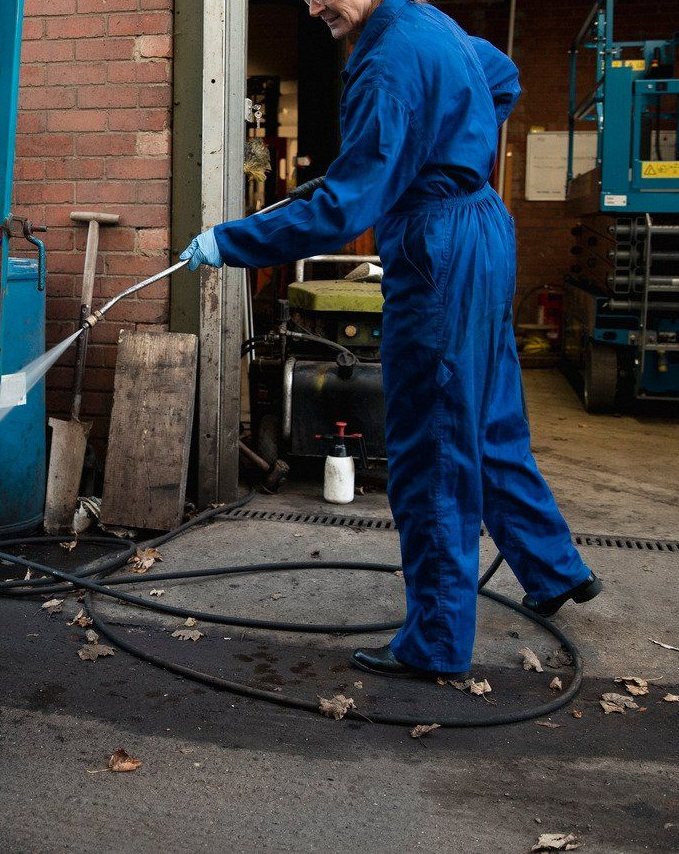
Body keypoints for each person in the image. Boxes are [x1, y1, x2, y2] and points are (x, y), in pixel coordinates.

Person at [180, 0, 600, 681]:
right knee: (487, 420)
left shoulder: (384, 63)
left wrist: (230, 241)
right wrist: (447, 146)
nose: (316, 5)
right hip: (483, 231)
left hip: (439, 246)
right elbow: (503, 77)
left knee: (431, 442)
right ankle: (553, 568)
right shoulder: (428, 22)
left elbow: (342, 210)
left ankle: (435, 642)